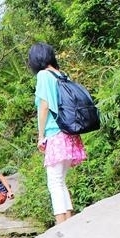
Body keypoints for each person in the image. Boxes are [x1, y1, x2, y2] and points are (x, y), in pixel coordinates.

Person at [28, 42, 87, 225]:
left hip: (55, 133)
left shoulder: (44, 75)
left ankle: (61, 224)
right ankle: (68, 221)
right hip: (70, 134)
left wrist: (40, 135)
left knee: (54, 182)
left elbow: (44, 106)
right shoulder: (61, 75)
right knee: (60, 181)